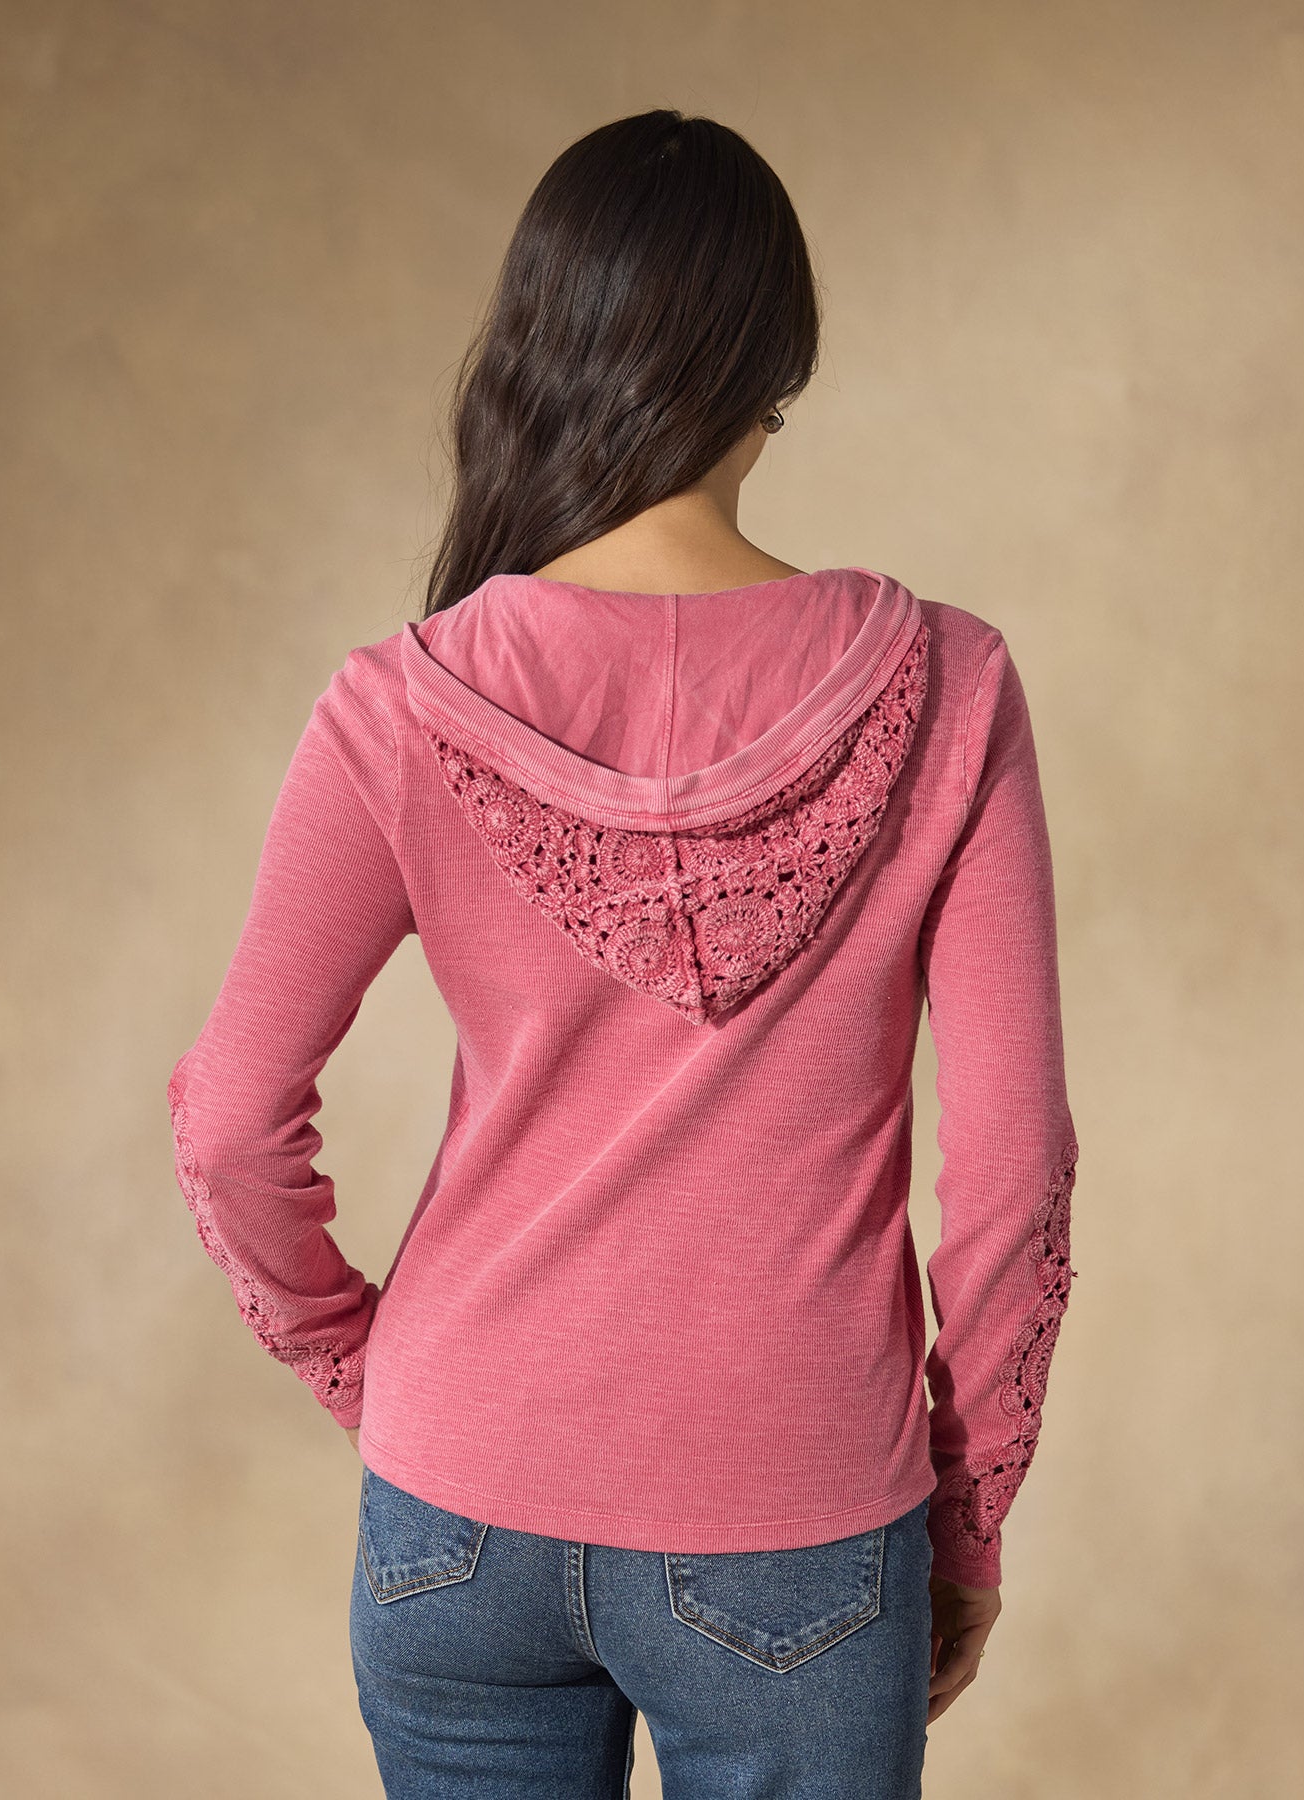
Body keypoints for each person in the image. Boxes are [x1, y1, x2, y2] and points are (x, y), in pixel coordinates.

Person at [166, 107, 1079, 1799]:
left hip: (457, 1503)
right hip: (803, 1518)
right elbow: (1016, 1167)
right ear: (777, 363)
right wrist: (970, 1517)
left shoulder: (399, 701)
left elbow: (227, 1124)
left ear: (543, 346)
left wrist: (367, 1367)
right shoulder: (952, 686)